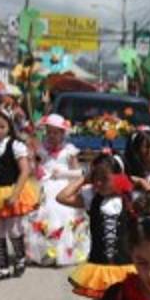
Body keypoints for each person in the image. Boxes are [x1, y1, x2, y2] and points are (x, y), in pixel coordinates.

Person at [60, 154, 139, 298]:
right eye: (95, 178)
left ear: (118, 177)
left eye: (104, 179)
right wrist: (84, 178)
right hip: (99, 265)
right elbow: (62, 197)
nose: (98, 183)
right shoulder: (91, 198)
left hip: (126, 265)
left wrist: (140, 182)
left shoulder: (130, 199)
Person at [0, 109, 38, 278]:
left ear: (9, 127)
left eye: (2, 126)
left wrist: (15, 195)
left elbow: (25, 171)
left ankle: (20, 259)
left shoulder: (16, 146)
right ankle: (3, 267)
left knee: (13, 229)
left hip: (11, 190)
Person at [25, 114, 88, 267]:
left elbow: (79, 172)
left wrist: (63, 173)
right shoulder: (41, 149)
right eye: (49, 132)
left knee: (63, 215)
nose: (52, 136)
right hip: (46, 187)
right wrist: (37, 168)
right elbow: (36, 169)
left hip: (63, 188)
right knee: (43, 216)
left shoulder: (69, 151)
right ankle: (44, 252)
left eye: (56, 132)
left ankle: (64, 252)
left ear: (62, 133)